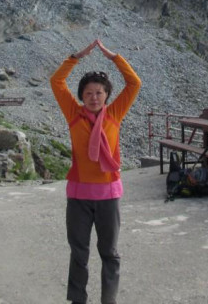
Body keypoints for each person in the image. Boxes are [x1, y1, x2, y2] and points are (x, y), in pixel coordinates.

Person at [50, 39, 141, 304]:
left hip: (108, 196)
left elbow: (134, 83)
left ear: (106, 96)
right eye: (88, 93)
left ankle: (108, 300)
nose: (93, 98)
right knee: (79, 252)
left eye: (99, 93)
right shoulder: (73, 114)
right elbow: (57, 82)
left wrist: (115, 57)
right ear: (81, 96)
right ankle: (78, 300)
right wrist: (76, 56)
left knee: (109, 253)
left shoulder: (115, 113)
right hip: (78, 196)